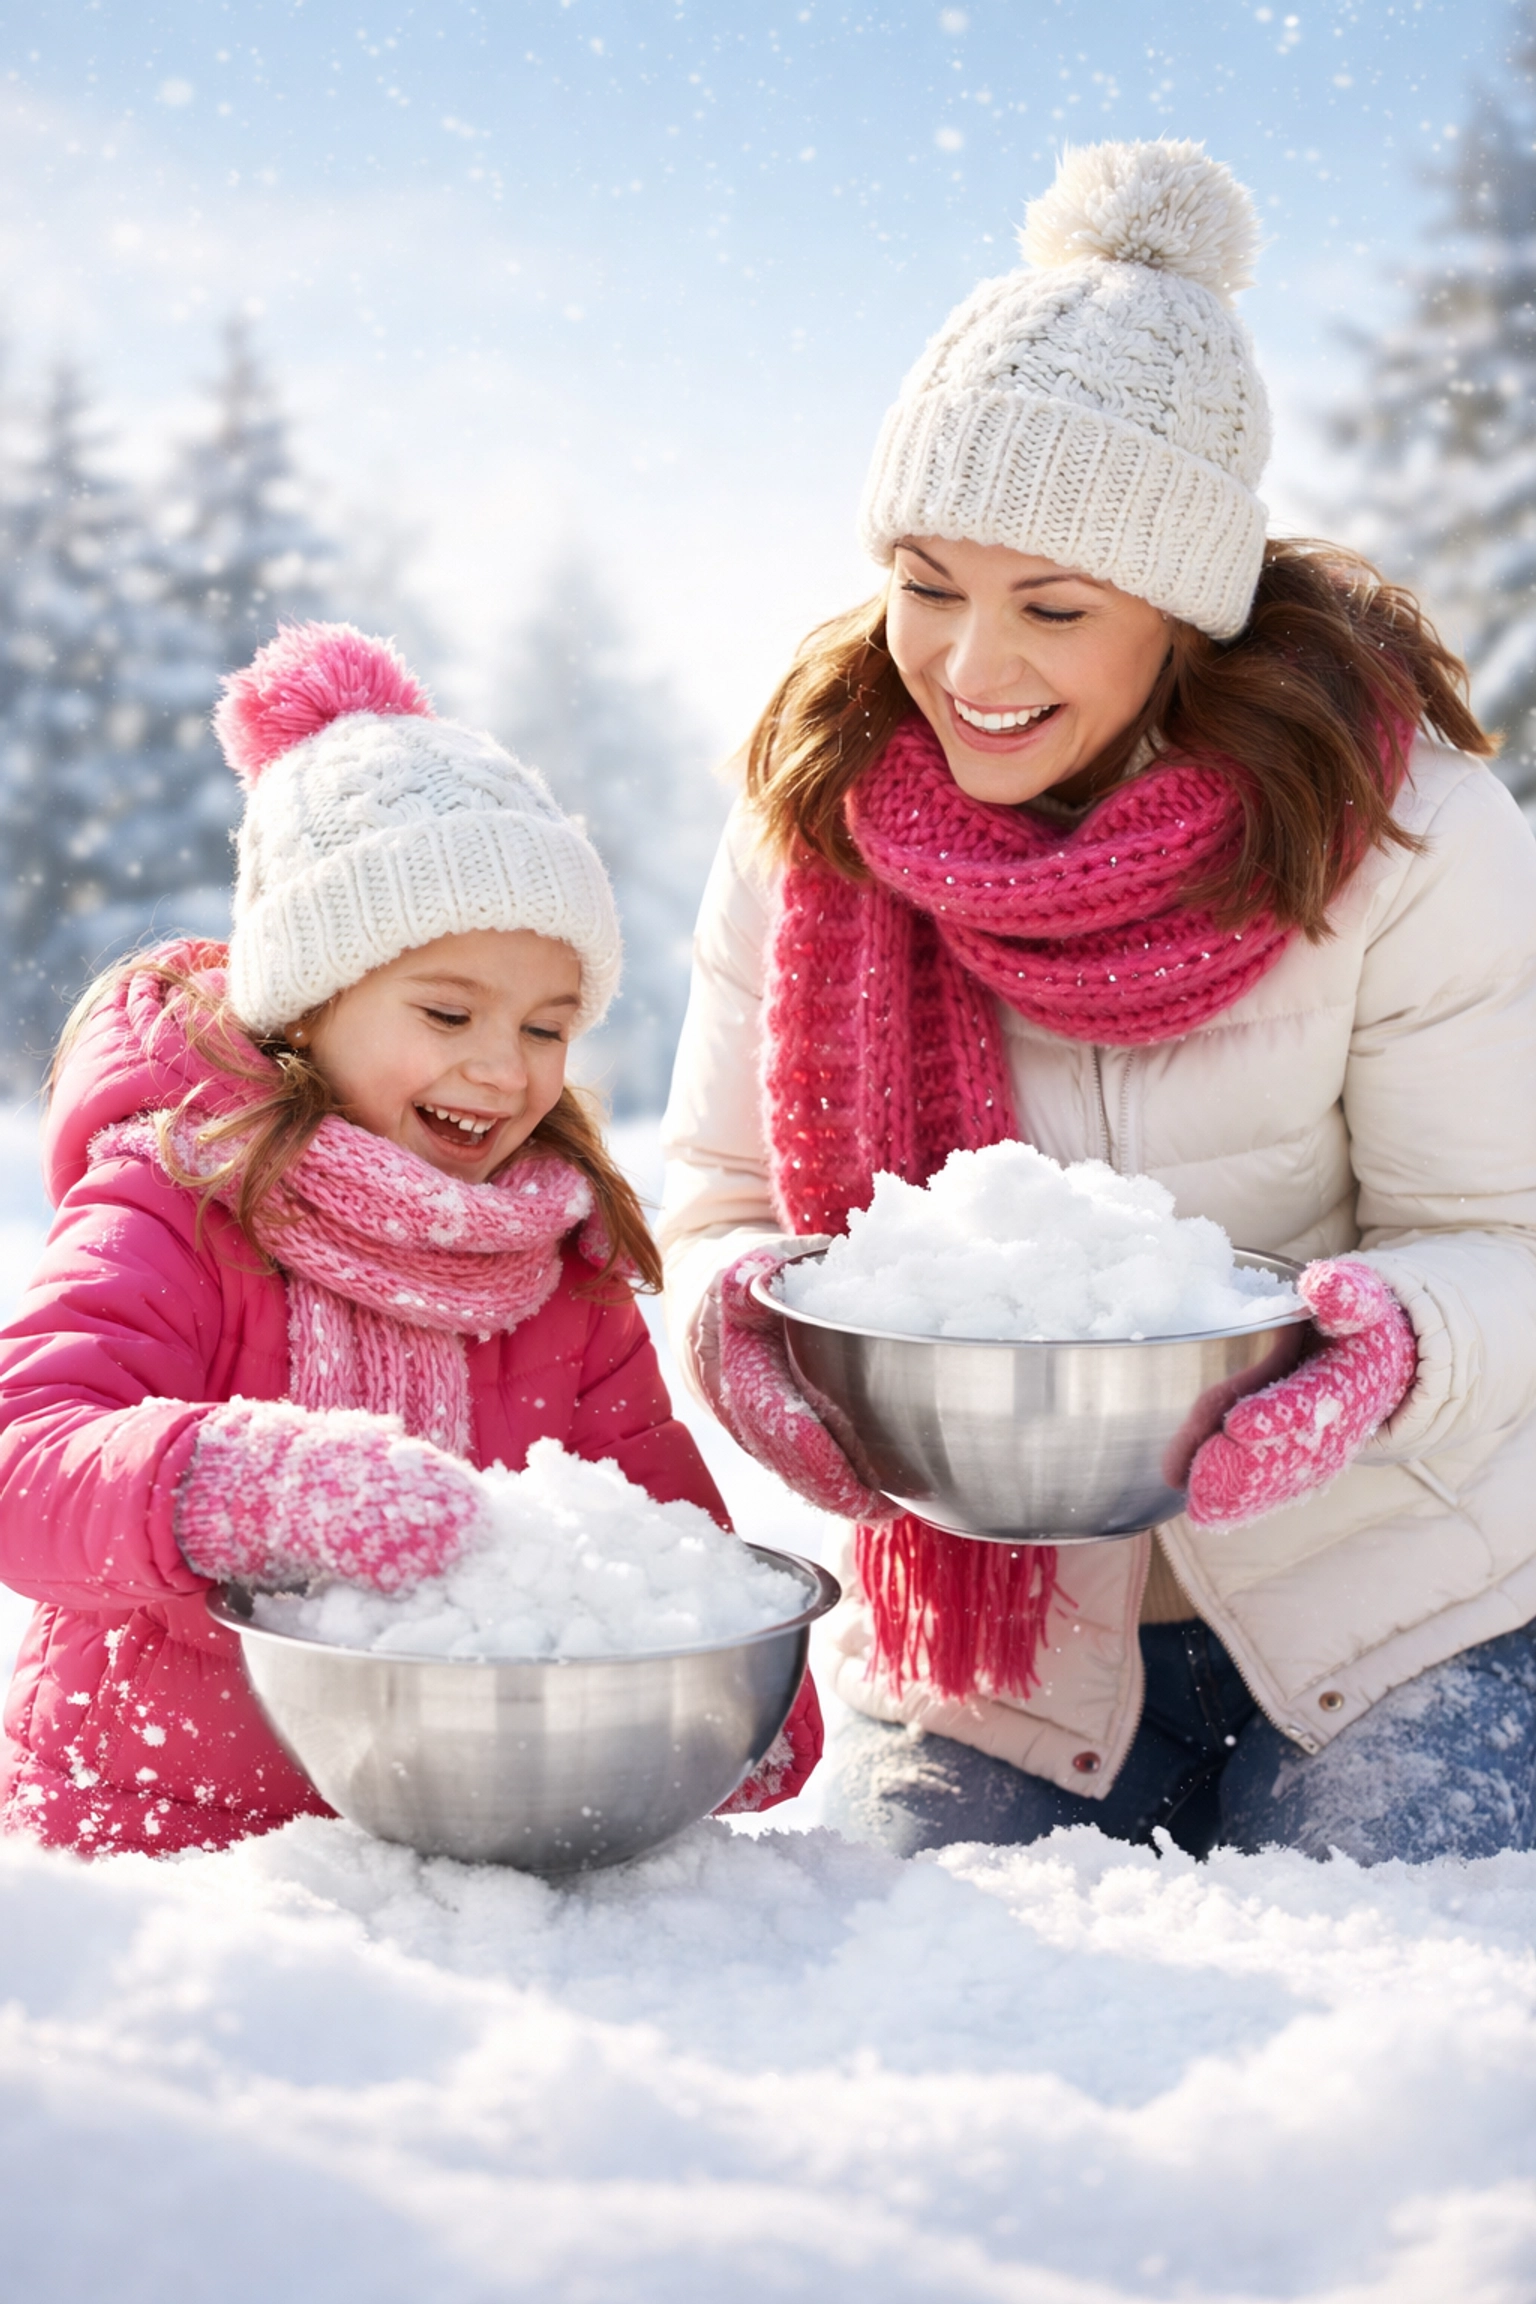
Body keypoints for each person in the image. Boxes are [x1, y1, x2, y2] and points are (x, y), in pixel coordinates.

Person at [659, 138, 1536, 1867]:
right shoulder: (815, 829)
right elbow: (724, 1205)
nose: (972, 670)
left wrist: (1383, 1353)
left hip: (1392, 1603)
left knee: (1371, 2014)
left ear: (1183, 612)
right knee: (917, 2019)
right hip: (995, 1652)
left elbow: (1505, 1236)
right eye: (927, 587)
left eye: (1051, 608)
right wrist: (746, 1325)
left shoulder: (1408, 831)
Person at [0, 622, 821, 1856]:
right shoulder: (174, 1203)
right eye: (448, 1011)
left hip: (466, 1846)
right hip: (154, 1840)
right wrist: (238, 1482)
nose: (503, 1069)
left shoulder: (554, 1270)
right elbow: (25, 1459)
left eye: (549, 1027)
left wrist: (725, 1689)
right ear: (309, 1000)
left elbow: (649, 1531)